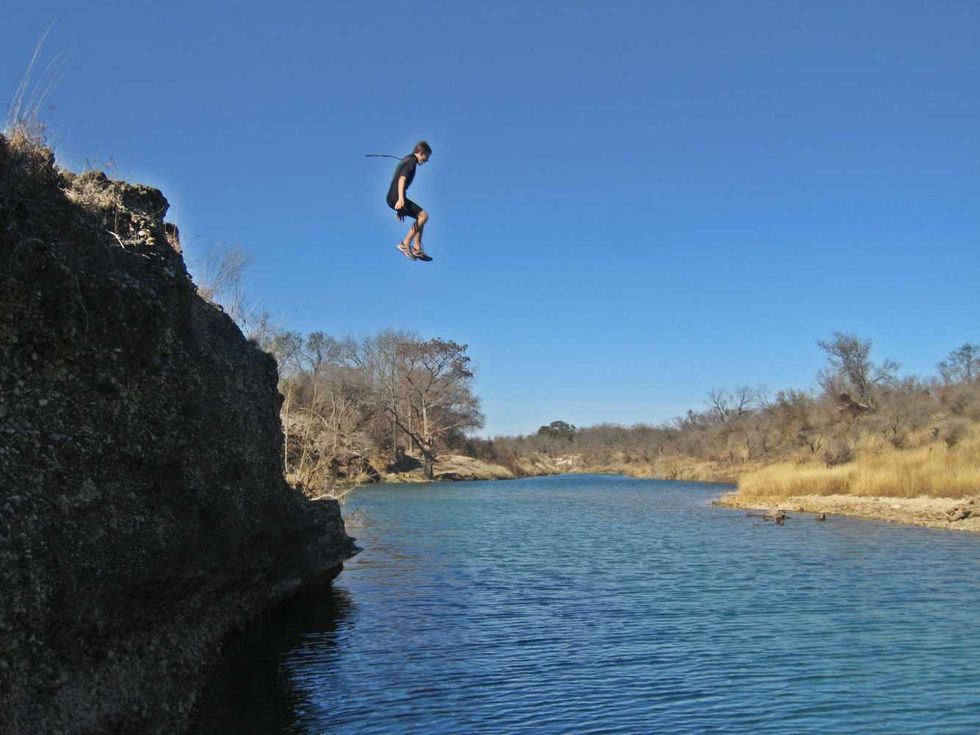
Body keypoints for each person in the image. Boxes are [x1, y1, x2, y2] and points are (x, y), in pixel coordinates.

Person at [387, 140, 433, 261]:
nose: (427, 160)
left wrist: (400, 209)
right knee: (424, 216)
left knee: (421, 217)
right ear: (421, 153)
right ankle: (405, 244)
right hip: (395, 197)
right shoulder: (411, 162)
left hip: (393, 198)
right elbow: (401, 180)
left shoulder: (408, 159)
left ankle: (417, 248)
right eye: (427, 156)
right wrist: (401, 199)